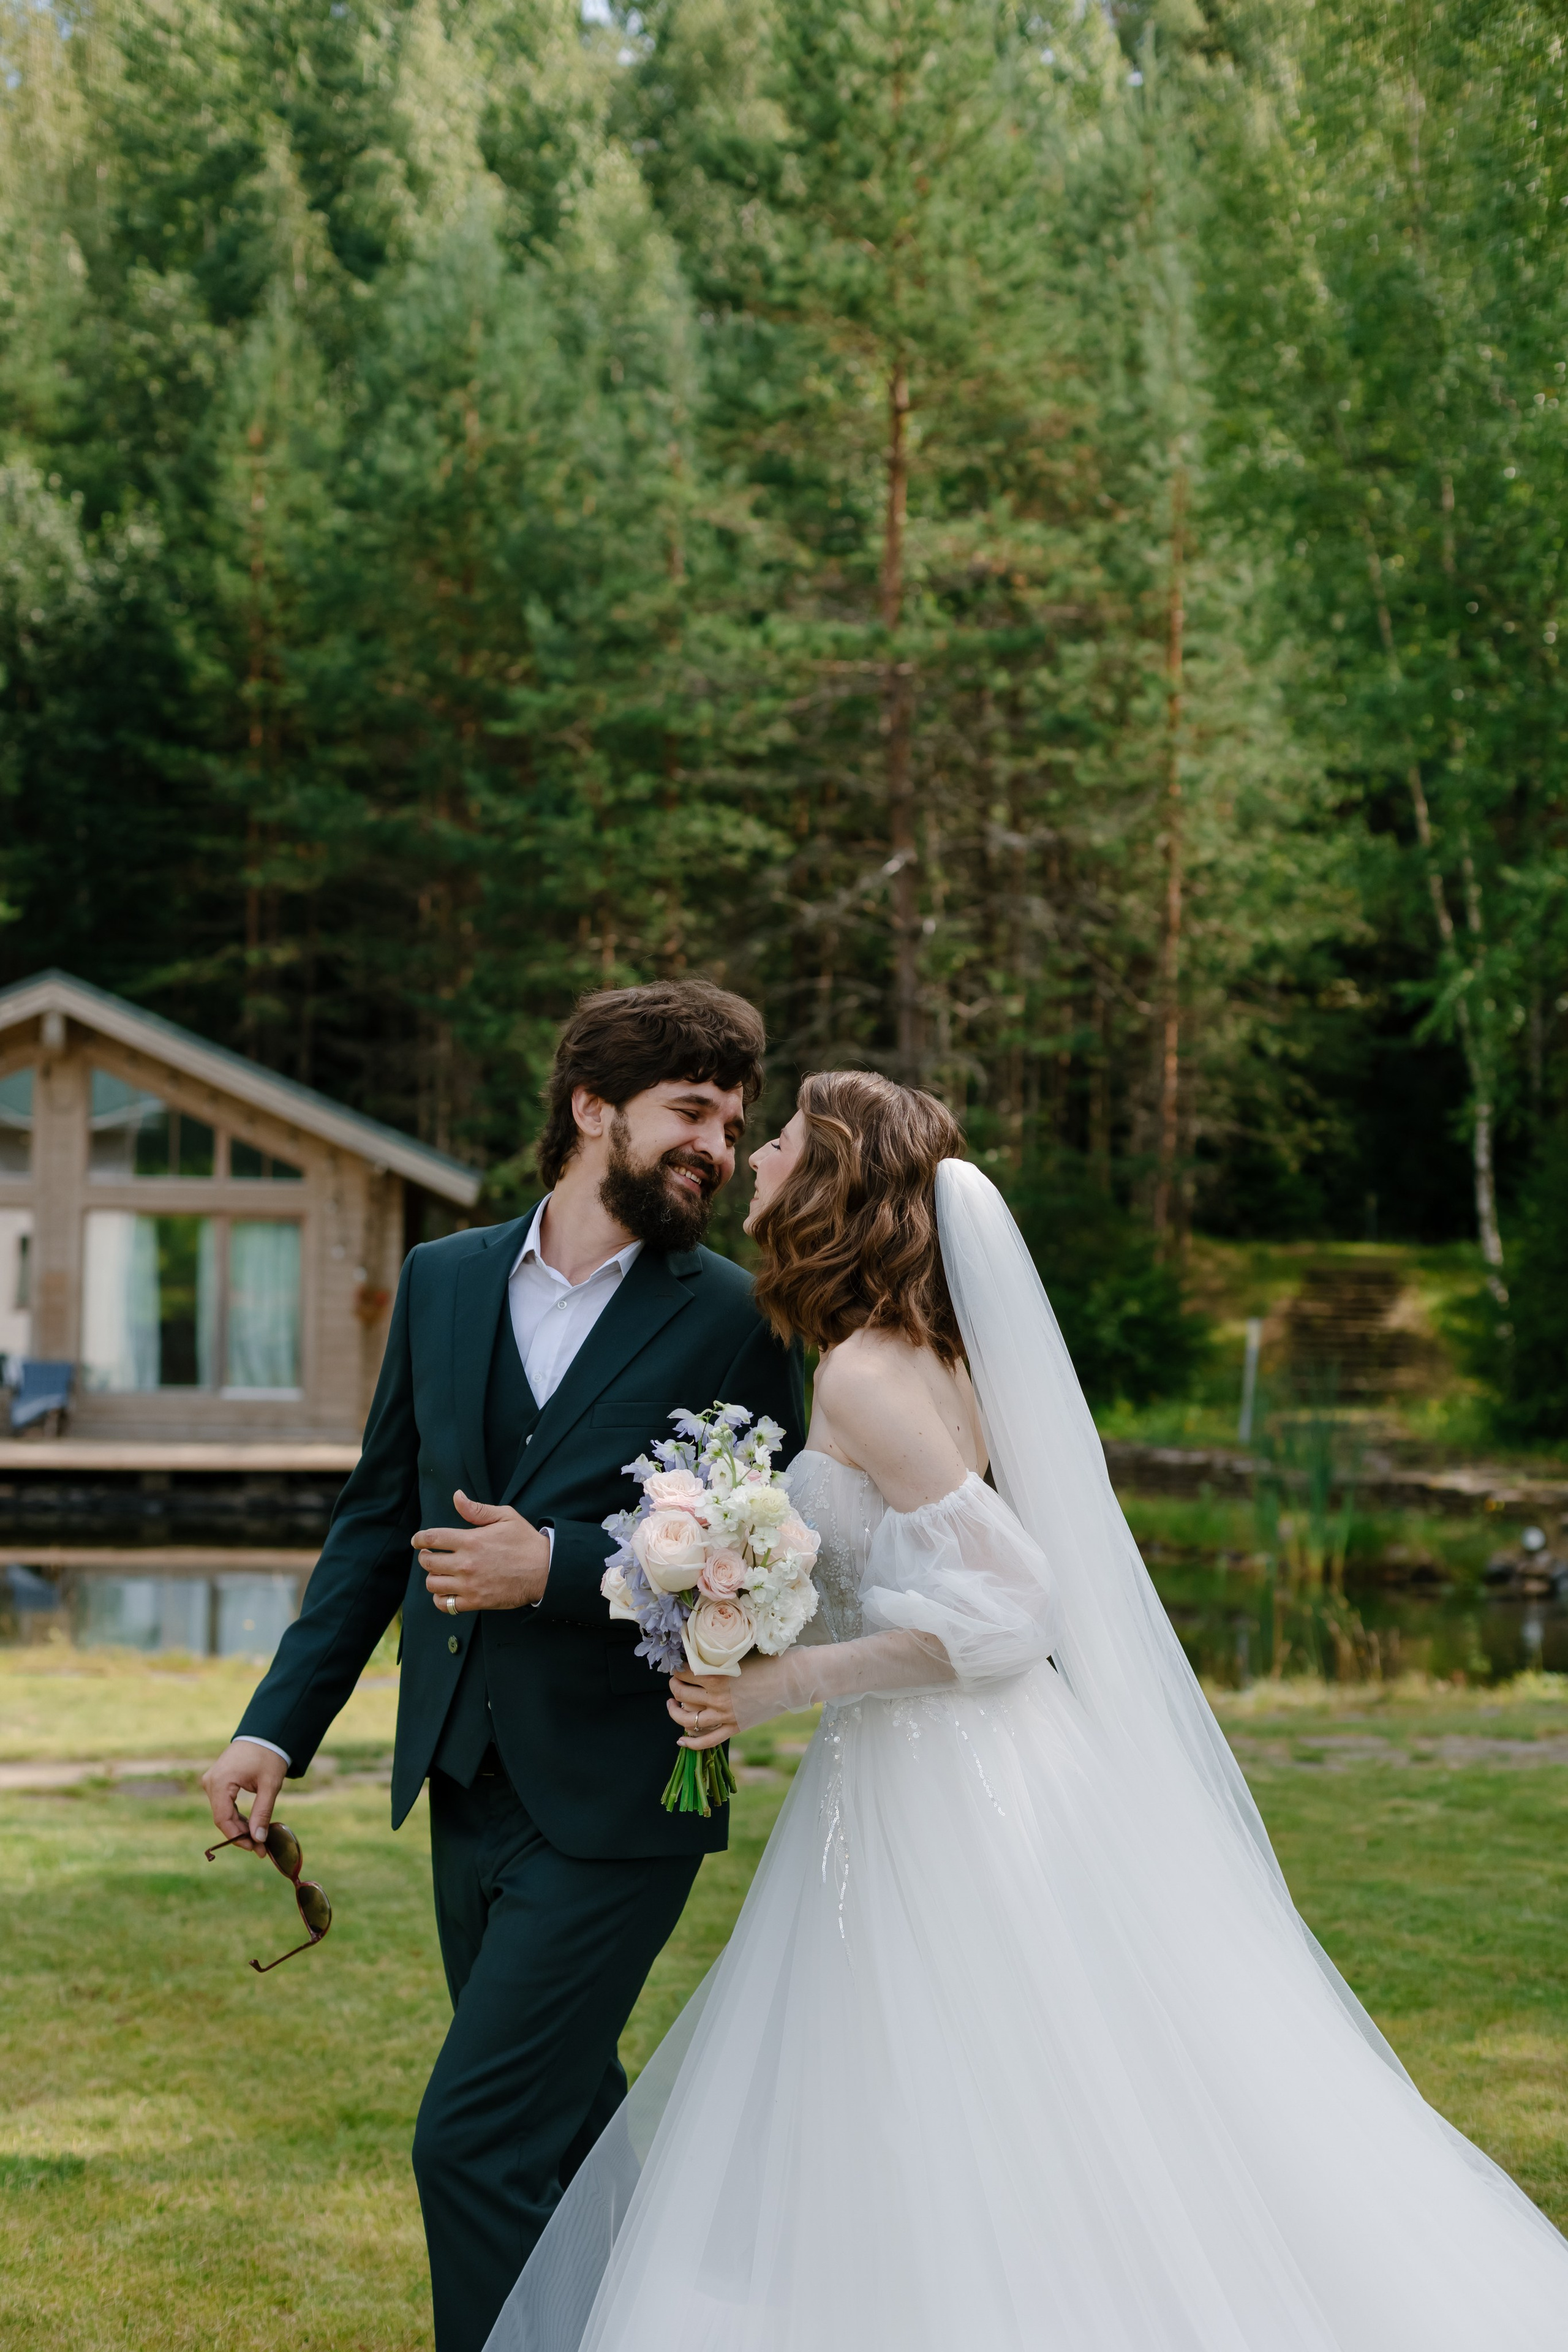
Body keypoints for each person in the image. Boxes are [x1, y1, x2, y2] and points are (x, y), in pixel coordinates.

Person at [484, 1069, 1568, 2352]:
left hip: (947, 1782)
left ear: (830, 1179)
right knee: (952, 2080)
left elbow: (1012, 1608)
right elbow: (906, 1570)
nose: (754, 1157)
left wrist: (780, 1680)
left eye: (777, 1139)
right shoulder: (913, 1355)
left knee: (961, 2071)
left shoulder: (868, 1374)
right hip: (938, 1760)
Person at [198, 982, 805, 2352]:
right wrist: (272, 1731)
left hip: (624, 1797)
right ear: (592, 1108)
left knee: (473, 2142)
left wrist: (566, 1564)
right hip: (463, 1785)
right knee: (567, 2139)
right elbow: (374, 1527)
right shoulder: (444, 1279)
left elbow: (767, 1558)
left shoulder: (740, 1316)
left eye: (732, 1124)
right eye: (691, 1112)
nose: (717, 1147)